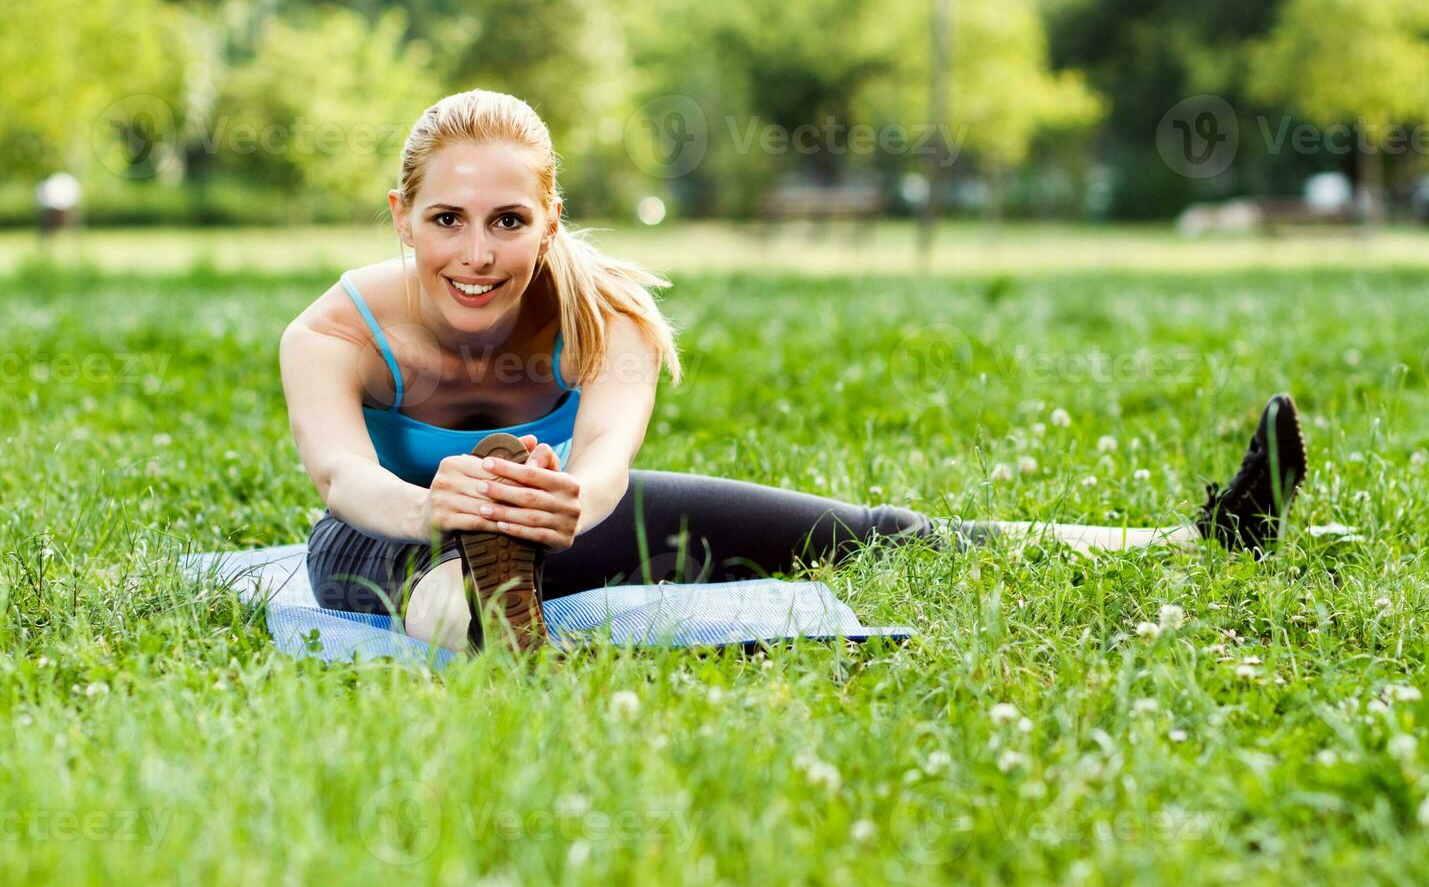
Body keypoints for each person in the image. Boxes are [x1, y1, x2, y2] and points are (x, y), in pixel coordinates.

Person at [279, 89, 1308, 654]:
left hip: (566, 522)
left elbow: (603, 460)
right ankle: (478, 612)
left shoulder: (606, 308)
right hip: (389, 528)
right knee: (389, 560)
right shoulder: (334, 331)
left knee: (860, 531)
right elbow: (340, 475)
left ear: (549, 217)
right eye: (446, 219)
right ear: (400, 216)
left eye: (509, 220)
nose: (477, 252)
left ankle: (1195, 536)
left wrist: (551, 506)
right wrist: (436, 503)